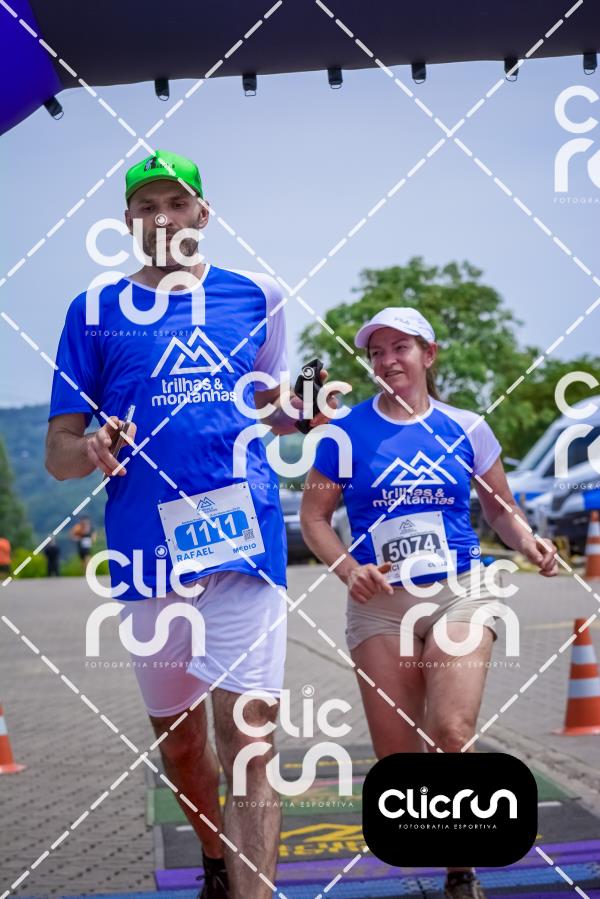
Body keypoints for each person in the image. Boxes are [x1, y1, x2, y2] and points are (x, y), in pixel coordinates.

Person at [45, 150, 334, 899]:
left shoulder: (259, 295)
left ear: (204, 213)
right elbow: (58, 453)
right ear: (128, 222)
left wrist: (299, 410)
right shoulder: (93, 309)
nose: (163, 218)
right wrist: (92, 446)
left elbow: (266, 405)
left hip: (243, 544)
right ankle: (214, 857)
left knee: (252, 746)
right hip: (147, 556)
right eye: (147, 206)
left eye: (177, 203)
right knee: (181, 747)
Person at [300, 307, 557, 899]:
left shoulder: (467, 427)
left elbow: (499, 508)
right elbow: (314, 519)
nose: (388, 360)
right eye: (377, 352)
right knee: (398, 759)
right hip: (381, 604)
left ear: (429, 354)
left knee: (451, 728)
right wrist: (349, 570)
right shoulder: (344, 434)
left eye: (401, 348)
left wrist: (528, 541)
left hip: (461, 589)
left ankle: (460, 871)